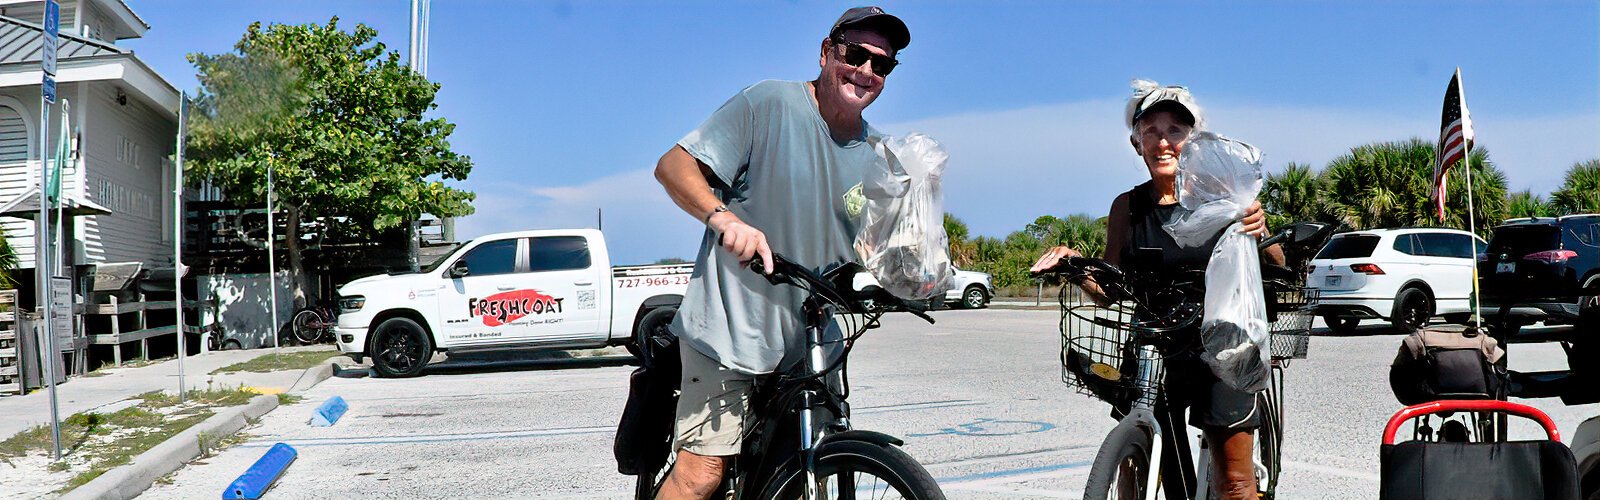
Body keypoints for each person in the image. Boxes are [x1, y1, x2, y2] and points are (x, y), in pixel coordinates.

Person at [650, 7, 911, 500]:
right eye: (856, 54)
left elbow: (881, 247)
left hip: (813, 339)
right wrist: (723, 218)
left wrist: (909, 274)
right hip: (732, 327)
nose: (867, 71)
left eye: (883, 65)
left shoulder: (880, 155)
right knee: (703, 472)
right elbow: (673, 165)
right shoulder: (769, 104)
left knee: (808, 463)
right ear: (826, 51)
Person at [1029, 82, 1275, 500]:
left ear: (1192, 141)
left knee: (1233, 481)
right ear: (1136, 142)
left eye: (1175, 130)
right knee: (1136, 469)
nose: (1163, 141)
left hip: (1223, 342)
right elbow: (1110, 287)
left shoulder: (1222, 195)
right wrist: (1074, 265)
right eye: (1151, 131)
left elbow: (1274, 264)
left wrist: (1260, 229)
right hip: (1154, 343)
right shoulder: (1127, 206)